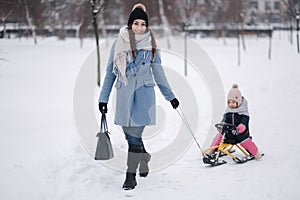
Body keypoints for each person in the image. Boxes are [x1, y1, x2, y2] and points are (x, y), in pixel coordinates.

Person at [98, 3, 179, 190]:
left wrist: (170, 96)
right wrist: (103, 99)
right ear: (130, 24)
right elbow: (110, 73)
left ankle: (130, 175)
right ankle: (144, 156)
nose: (140, 27)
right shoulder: (118, 43)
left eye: (143, 24)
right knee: (129, 134)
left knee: (134, 135)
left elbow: (159, 74)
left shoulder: (152, 47)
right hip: (124, 96)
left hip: (143, 96)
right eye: (136, 23)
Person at [208, 84, 262, 160]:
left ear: (239, 101)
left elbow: (244, 122)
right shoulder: (228, 111)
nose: (231, 104)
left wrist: (240, 128)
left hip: (240, 134)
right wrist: (222, 125)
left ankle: (256, 154)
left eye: (233, 102)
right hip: (229, 134)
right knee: (219, 136)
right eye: (229, 102)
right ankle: (212, 150)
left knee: (246, 141)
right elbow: (225, 121)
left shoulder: (243, 112)